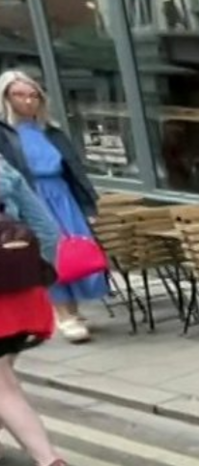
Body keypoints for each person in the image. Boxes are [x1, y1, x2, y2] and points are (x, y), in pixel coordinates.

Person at [0, 69, 103, 344]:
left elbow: (74, 168)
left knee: (74, 251)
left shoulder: (51, 131)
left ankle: (74, 309)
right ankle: (63, 313)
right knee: (46, 251)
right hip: (32, 196)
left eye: (33, 95)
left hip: (62, 194)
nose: (28, 101)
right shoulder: (5, 135)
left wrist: (87, 203)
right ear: (6, 98)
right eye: (19, 95)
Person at [0, 156, 79, 466]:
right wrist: (34, 280)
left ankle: (48, 464)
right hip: (23, 294)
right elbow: (46, 231)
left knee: (3, 388)